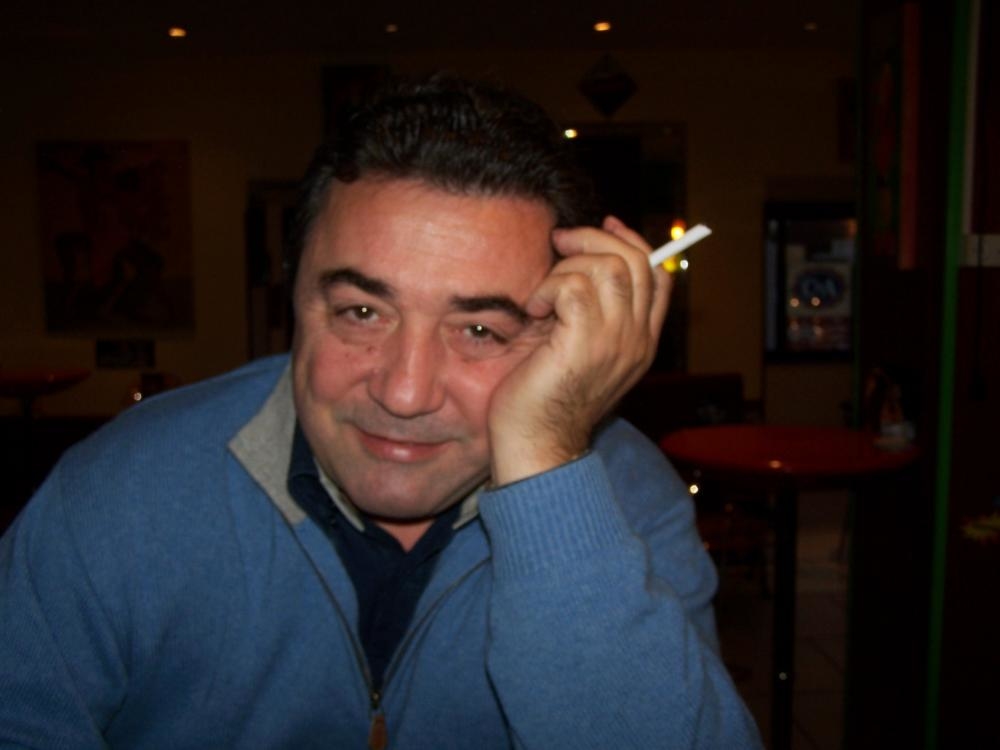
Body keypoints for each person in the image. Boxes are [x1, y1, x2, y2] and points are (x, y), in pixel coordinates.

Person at [0, 74, 762, 749]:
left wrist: (547, 475)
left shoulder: (629, 497)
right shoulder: (120, 488)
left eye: (480, 330)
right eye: (362, 312)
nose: (404, 392)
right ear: (294, 299)